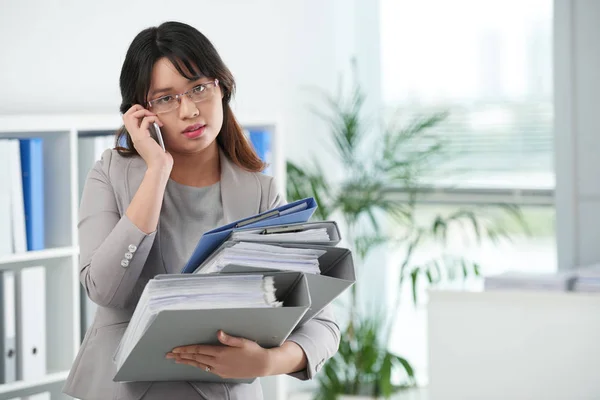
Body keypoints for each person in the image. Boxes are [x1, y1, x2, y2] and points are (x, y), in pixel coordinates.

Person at [62, 21, 340, 400]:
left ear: (221, 87)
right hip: (122, 391)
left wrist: (266, 363)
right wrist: (157, 172)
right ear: (140, 112)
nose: (190, 110)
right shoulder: (111, 174)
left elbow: (322, 322)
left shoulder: (260, 192)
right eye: (166, 98)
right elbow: (105, 289)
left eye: (198, 88)